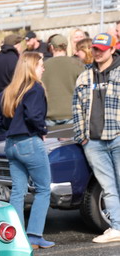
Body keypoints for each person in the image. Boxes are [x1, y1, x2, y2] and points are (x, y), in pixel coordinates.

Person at [0, 52, 54, 249]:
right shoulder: (35, 88)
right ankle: (34, 236)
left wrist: (4, 133)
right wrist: (42, 130)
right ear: (32, 67)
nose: (43, 68)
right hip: (29, 141)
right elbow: (34, 116)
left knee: (18, 192)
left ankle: (17, 236)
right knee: (43, 189)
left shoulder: (8, 91)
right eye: (41, 65)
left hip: (11, 144)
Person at [72, 33, 120, 243]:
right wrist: (82, 136)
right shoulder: (84, 76)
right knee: (108, 187)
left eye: (102, 49)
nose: (98, 52)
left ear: (112, 49)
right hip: (93, 142)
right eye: (95, 49)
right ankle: (117, 227)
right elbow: (76, 108)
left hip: (117, 137)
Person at [41, 35, 84, 126]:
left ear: (52, 47)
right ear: (66, 47)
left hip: (49, 115)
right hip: (72, 113)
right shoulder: (77, 64)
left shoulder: (43, 66)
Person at [0, 34, 25, 101]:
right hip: (11, 102)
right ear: (17, 45)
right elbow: (21, 85)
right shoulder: (16, 61)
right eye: (20, 45)